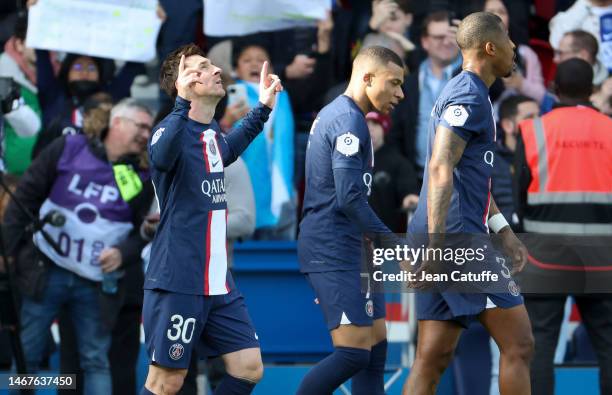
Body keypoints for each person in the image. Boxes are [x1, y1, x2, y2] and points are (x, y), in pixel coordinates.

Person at [403, 12, 534, 395]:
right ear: (489, 47)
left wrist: (503, 230)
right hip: (455, 239)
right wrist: (437, 243)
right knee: (520, 344)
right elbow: (441, 165)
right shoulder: (467, 93)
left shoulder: (468, 92)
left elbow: (469, 176)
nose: (515, 49)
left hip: (446, 232)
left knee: (432, 358)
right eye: (508, 41)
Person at [141, 43, 282, 395]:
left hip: (217, 279)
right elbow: (160, 157)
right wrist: (181, 102)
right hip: (179, 278)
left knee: (248, 368)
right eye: (202, 68)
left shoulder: (210, 134)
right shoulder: (167, 131)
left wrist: (262, 108)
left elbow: (228, 149)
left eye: (212, 65)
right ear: (183, 82)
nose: (216, 70)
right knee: (165, 383)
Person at [2, 98, 154, 395]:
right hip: (46, 269)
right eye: (141, 126)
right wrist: (7, 251)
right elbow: (26, 198)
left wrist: (123, 253)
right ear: (117, 123)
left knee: (95, 361)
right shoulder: (68, 148)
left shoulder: (139, 176)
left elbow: (142, 233)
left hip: (95, 282)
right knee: (26, 359)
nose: (147, 135)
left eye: (150, 129)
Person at [297, 45, 405, 395]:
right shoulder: (347, 120)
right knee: (353, 354)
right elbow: (348, 197)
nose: (400, 94)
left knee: (374, 352)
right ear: (368, 77)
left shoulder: (350, 116)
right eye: (394, 83)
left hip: (354, 247)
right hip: (333, 246)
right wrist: (393, 242)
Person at [514, 58, 612, 395]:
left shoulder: (533, 130)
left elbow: (518, 199)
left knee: (539, 344)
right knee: (609, 347)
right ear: (593, 90)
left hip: (545, 257)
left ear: (555, 89)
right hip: (604, 259)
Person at [231, 44, 295, 240]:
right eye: (247, 60)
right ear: (236, 68)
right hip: (244, 167)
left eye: (261, 60)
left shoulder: (281, 95)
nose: (255, 64)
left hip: (276, 169)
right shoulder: (231, 93)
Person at [388, 10, 462, 177]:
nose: (446, 42)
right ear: (425, 41)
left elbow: (498, 88)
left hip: (461, 177)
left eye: (452, 36)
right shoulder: (409, 82)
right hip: (418, 176)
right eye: (438, 37)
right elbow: (396, 133)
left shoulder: (472, 76)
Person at [366, 111, 419, 232]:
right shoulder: (349, 161)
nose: (370, 129)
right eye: (366, 124)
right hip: (354, 236)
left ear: (384, 127)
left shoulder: (398, 162)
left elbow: (408, 191)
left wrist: (410, 197)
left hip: (386, 235)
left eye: (375, 124)